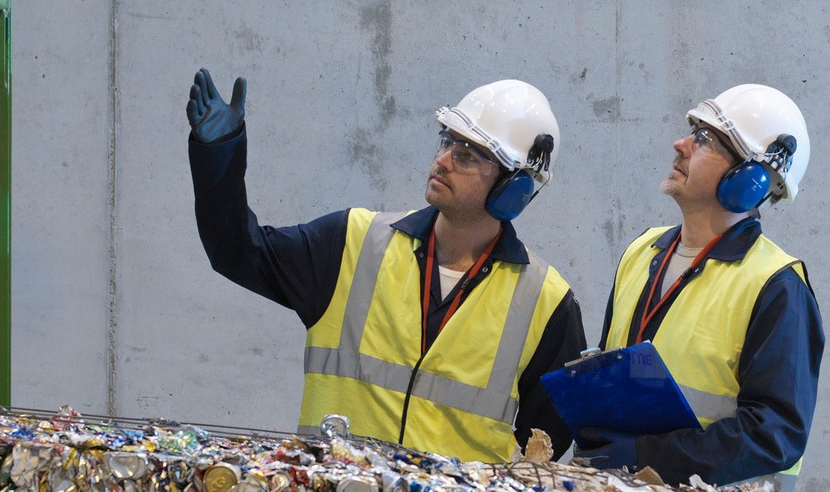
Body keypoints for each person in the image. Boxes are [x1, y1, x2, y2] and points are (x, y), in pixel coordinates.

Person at [187, 70, 584, 464]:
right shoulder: (352, 243)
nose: (442, 160)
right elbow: (235, 251)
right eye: (447, 141)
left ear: (513, 189)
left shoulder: (547, 302)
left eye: (465, 155)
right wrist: (219, 153)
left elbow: (542, 444)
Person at [578, 84, 824, 491]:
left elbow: (773, 436)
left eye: (705, 139)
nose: (680, 144)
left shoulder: (776, 285)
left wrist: (644, 456)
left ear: (749, 180)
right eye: (691, 130)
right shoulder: (642, 252)